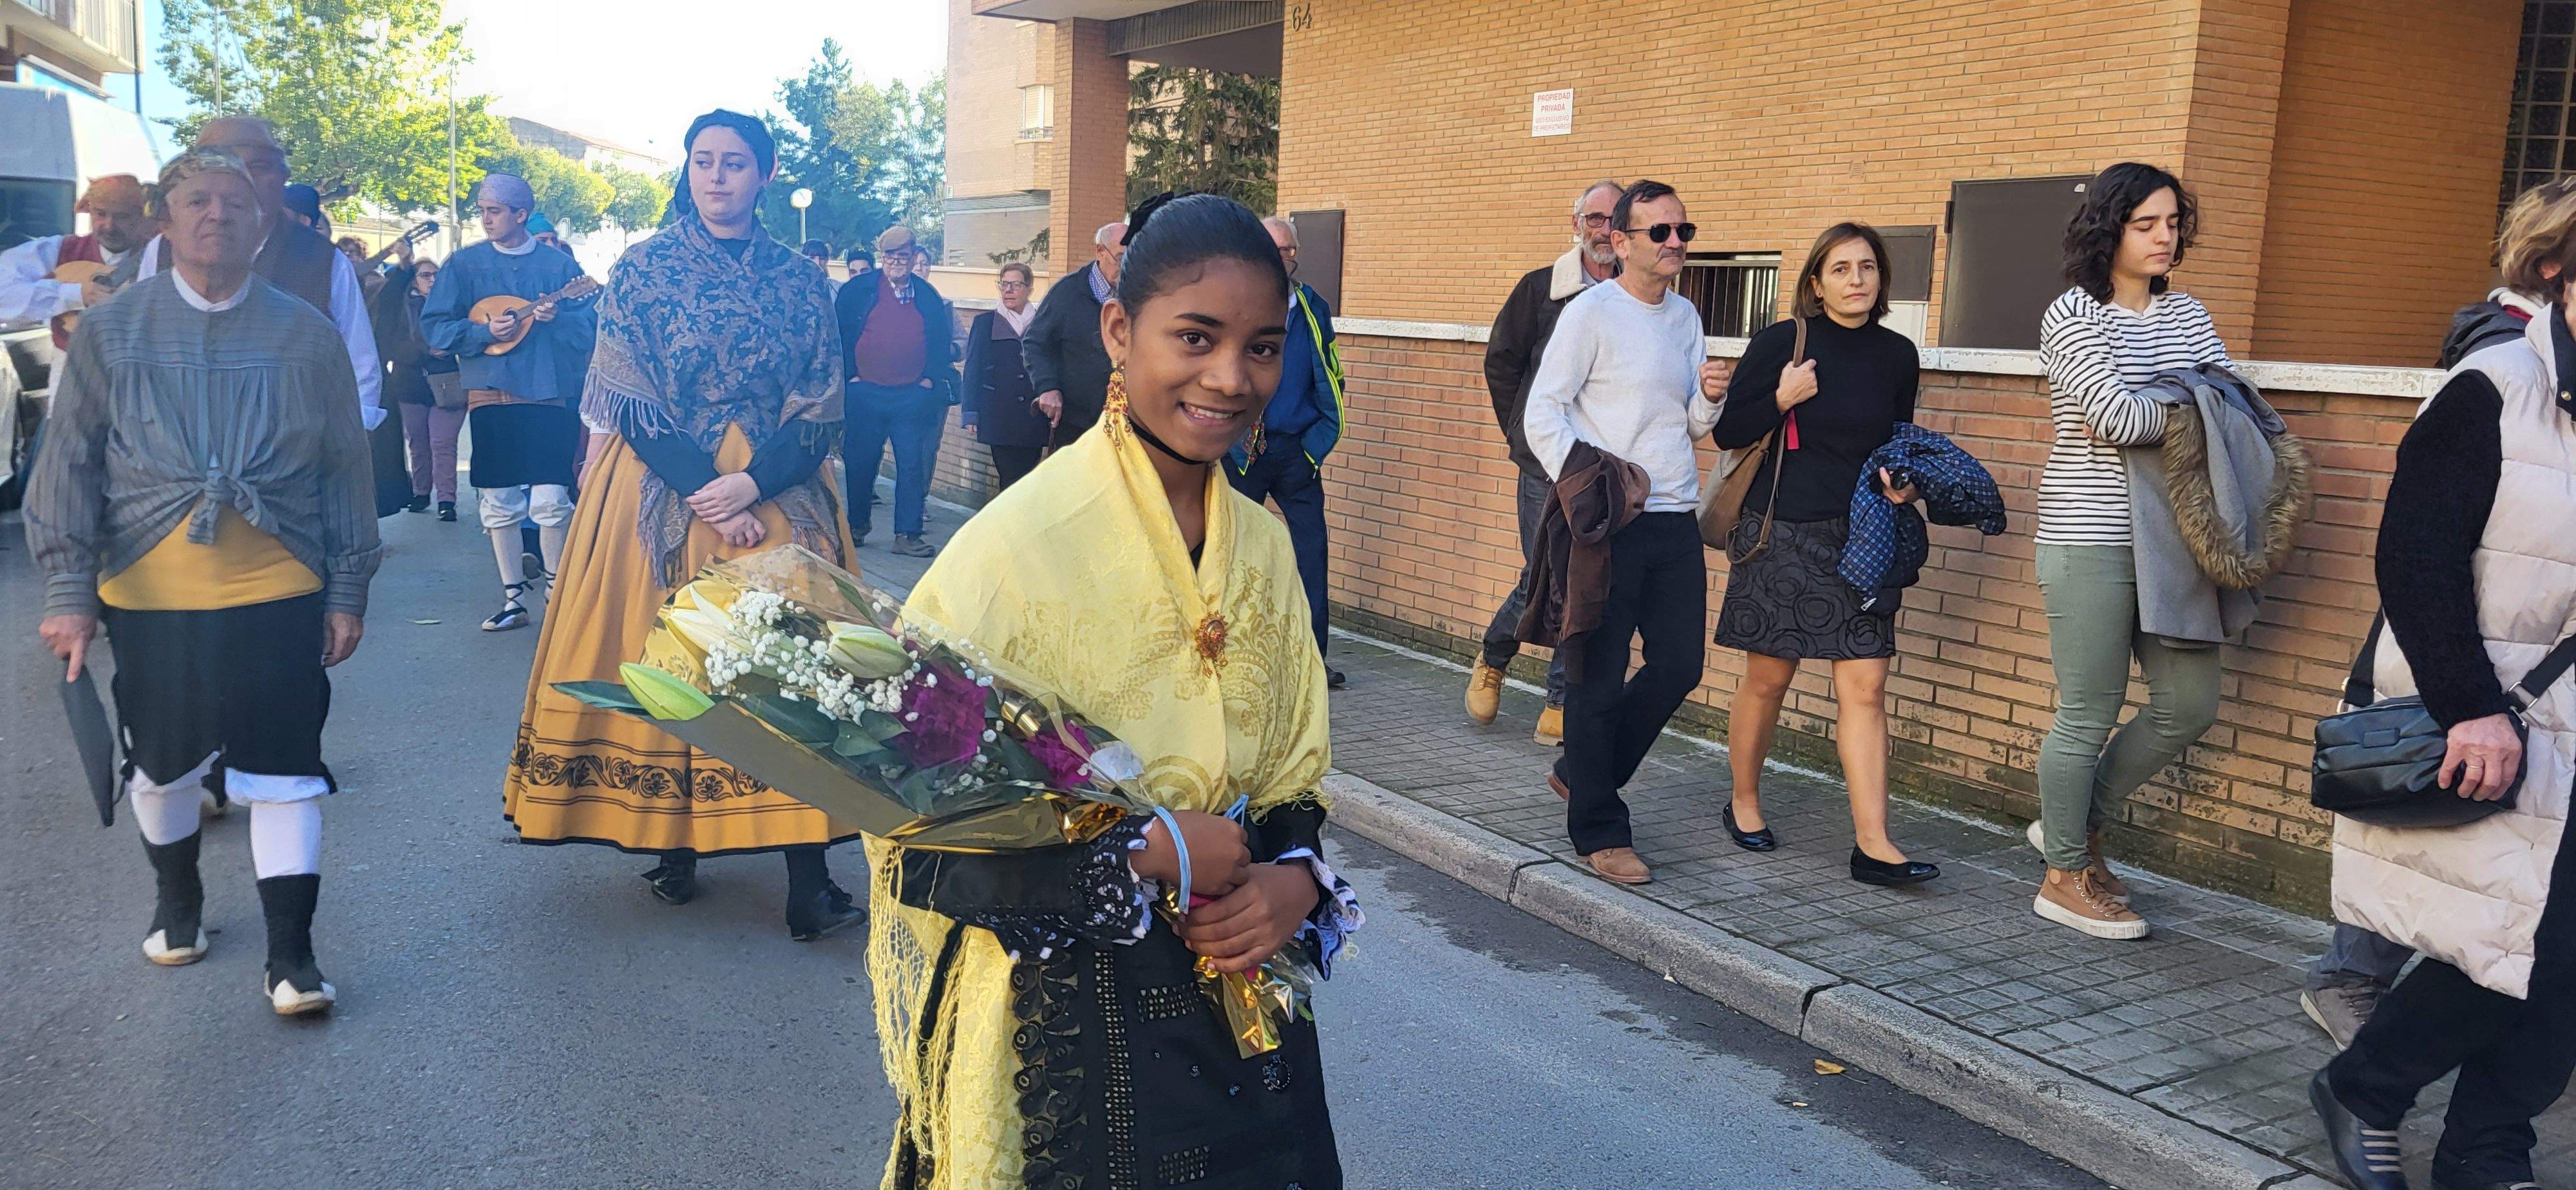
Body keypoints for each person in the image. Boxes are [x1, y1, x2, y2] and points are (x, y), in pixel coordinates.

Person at [876, 191, 1358, 1190]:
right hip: (1067, 1036)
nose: (1230, 379)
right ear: (1116, 330)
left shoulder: (1265, 549)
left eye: (1263, 348)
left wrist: (1292, 884)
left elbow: (1290, 784)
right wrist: (1141, 850)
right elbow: (912, 825)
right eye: (1195, 336)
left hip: (1247, 1023)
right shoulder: (1014, 550)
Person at [25, 148, 381, 1016]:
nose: (216, 215)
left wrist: (347, 589)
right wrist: (69, 594)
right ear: (166, 220)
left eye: (234, 202)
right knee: (162, 769)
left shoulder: (308, 336)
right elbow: (66, 462)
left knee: (287, 773)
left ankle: (291, 958)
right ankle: (176, 902)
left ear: (262, 225)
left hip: (280, 588)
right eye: (195, 201)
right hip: (150, 595)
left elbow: (344, 472)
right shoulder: (113, 331)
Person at [501, 109, 862, 941]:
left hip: (779, 481)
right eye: (704, 161)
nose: (718, 176)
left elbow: (821, 399)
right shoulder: (643, 269)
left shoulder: (801, 281)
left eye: (735, 163)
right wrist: (707, 489)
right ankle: (672, 845)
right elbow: (629, 393)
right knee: (670, 664)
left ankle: (809, 879)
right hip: (666, 486)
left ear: (764, 174)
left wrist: (750, 483)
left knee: (796, 671)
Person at [2306, 225, 2576, 1190]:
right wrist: (2469, 708)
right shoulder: (2494, 390)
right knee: (2514, 941)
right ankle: (2366, 1087)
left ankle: (2486, 1147)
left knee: (2563, 963)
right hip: (2510, 718)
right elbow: (2415, 558)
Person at [2027, 162, 2231, 940]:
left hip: (2174, 540)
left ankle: (2071, 825)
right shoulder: (2072, 314)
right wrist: (2181, 404)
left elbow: (2229, 404)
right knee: (2088, 711)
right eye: (2146, 224)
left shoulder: (2190, 314)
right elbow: (2113, 417)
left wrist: (2160, 408)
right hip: (2089, 535)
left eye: (2173, 222)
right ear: (2108, 229)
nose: (2164, 237)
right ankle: (2063, 874)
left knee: (2189, 703)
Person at [1708, 222, 1940, 887]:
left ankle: (1873, 844)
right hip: (1781, 531)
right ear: (1815, 282)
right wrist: (1780, 398)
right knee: (1769, 679)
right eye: (1840, 269)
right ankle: (1744, 801)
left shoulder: (1896, 355)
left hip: (1863, 536)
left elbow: (1896, 438)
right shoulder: (1784, 343)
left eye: (1866, 267)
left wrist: (1904, 483)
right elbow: (1728, 430)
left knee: (1866, 686)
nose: (1856, 279)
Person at [1521, 180, 1723, 887]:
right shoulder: (1590, 314)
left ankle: (1582, 771)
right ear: (1621, 242)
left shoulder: (1687, 316)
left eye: (1683, 231)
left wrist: (1708, 396)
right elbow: (1542, 412)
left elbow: (1694, 426)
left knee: (1678, 666)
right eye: (1660, 232)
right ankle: (1600, 830)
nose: (1675, 244)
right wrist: (1584, 481)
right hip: (1607, 521)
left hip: (1674, 518)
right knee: (1595, 678)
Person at [113, 118, 386, 437]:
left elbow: (360, 371)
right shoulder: (162, 250)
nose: (241, 177)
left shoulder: (324, 262)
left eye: (258, 166)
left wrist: (341, 450)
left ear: (283, 176)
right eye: (223, 164)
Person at [1468, 178, 1621, 744]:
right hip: (1544, 464)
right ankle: (1493, 656)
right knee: (1543, 574)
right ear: (1576, 223)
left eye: (1613, 219)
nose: (1604, 229)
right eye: (1595, 218)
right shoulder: (1541, 290)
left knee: (1585, 581)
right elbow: (1501, 363)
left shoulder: (1637, 295)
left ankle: (1560, 699)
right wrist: (1525, 430)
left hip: (1604, 467)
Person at [419, 173, 599, 632]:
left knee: (552, 499)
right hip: (490, 393)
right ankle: (513, 600)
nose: (485, 220)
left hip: (546, 392)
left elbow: (588, 334)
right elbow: (436, 327)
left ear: (521, 214)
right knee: (498, 498)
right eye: (481, 211)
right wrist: (481, 333)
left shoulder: (558, 269)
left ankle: (557, 597)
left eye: (494, 211)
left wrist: (557, 319)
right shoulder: (464, 265)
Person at [1226, 214, 1347, 688]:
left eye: (1290, 250)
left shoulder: (1312, 305)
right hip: (1243, 451)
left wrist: (1316, 447)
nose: (1284, 258)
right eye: (1275, 250)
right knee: (1234, 555)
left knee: (1311, 554)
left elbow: (1331, 374)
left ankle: (1314, 660)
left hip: (1297, 451)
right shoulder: (1237, 303)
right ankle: (1231, 654)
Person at [836, 224, 955, 557]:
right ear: (881, 257)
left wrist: (929, 381)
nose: (896, 263)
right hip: (866, 394)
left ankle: (908, 534)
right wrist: (850, 379)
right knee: (860, 464)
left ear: (915, 256)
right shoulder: (857, 291)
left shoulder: (928, 296)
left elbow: (940, 343)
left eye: (903, 256)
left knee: (912, 466)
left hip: (911, 397)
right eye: (890, 256)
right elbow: (838, 338)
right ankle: (857, 527)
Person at [0, 174, 152, 352]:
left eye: (122, 217)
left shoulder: (160, 256)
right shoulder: (58, 250)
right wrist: (77, 294)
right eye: (101, 214)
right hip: (70, 365)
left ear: (140, 217)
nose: (109, 225)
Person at [1021, 220, 1125, 446]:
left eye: (1133, 258)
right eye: (1120, 258)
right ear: (1100, 252)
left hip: (1125, 423)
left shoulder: (1138, 293)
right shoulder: (1067, 292)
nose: (1127, 265)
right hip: (1075, 423)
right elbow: (1034, 343)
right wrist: (1047, 387)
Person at [376, 254, 465, 518]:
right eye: (426, 275)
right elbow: (391, 343)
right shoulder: (401, 307)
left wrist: (451, 346)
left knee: (443, 443)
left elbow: (465, 332)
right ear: (413, 281)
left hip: (448, 382)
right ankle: (421, 492)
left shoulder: (453, 305)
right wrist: (426, 350)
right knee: (417, 442)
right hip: (410, 383)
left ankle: (446, 501)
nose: (432, 280)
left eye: (436, 275)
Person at [961, 260, 1048, 489]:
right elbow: (972, 369)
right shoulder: (985, 323)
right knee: (1010, 477)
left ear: (1030, 289)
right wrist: (970, 412)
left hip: (1034, 416)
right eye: (1004, 284)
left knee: (1028, 474)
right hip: (998, 415)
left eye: (1016, 285)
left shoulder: (1043, 323)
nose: (1008, 291)